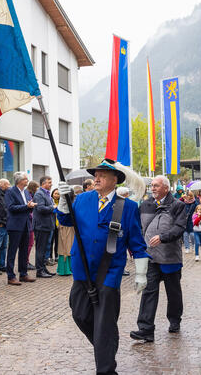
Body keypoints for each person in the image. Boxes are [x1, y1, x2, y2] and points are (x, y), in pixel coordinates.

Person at [56, 159, 149, 374]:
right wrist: (63, 200)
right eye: (95, 174)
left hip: (110, 272)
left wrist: (141, 274)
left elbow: (136, 242)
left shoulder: (128, 207)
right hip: (82, 270)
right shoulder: (81, 200)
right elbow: (66, 220)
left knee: (104, 323)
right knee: (79, 314)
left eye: (102, 175)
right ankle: (105, 344)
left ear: (115, 180)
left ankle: (106, 368)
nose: (96, 178)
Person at [130, 175, 187, 343]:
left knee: (173, 292)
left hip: (170, 257)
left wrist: (163, 237)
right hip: (150, 257)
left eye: (156, 185)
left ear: (166, 188)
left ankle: (175, 320)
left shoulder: (178, 205)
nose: (152, 188)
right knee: (149, 292)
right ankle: (145, 329)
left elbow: (180, 227)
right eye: (152, 185)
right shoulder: (145, 205)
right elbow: (139, 227)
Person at [4, 172, 37, 285]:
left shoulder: (27, 192)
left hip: (26, 224)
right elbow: (11, 207)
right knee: (12, 251)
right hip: (15, 225)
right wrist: (26, 206)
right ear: (19, 180)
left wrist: (31, 206)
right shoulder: (10, 192)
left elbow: (28, 206)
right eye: (25, 179)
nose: (27, 180)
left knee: (24, 251)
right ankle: (10, 276)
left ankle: (23, 274)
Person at [33, 176, 56, 278]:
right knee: (40, 249)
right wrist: (53, 207)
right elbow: (41, 208)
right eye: (49, 182)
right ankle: (39, 271)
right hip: (41, 226)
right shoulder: (39, 194)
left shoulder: (46, 193)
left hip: (47, 225)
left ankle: (43, 268)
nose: (51, 184)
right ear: (43, 183)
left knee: (44, 249)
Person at [52, 188, 72, 276]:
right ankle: (65, 269)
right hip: (65, 228)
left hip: (67, 228)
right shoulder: (70, 203)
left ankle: (66, 269)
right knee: (65, 247)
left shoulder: (67, 203)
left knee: (66, 247)